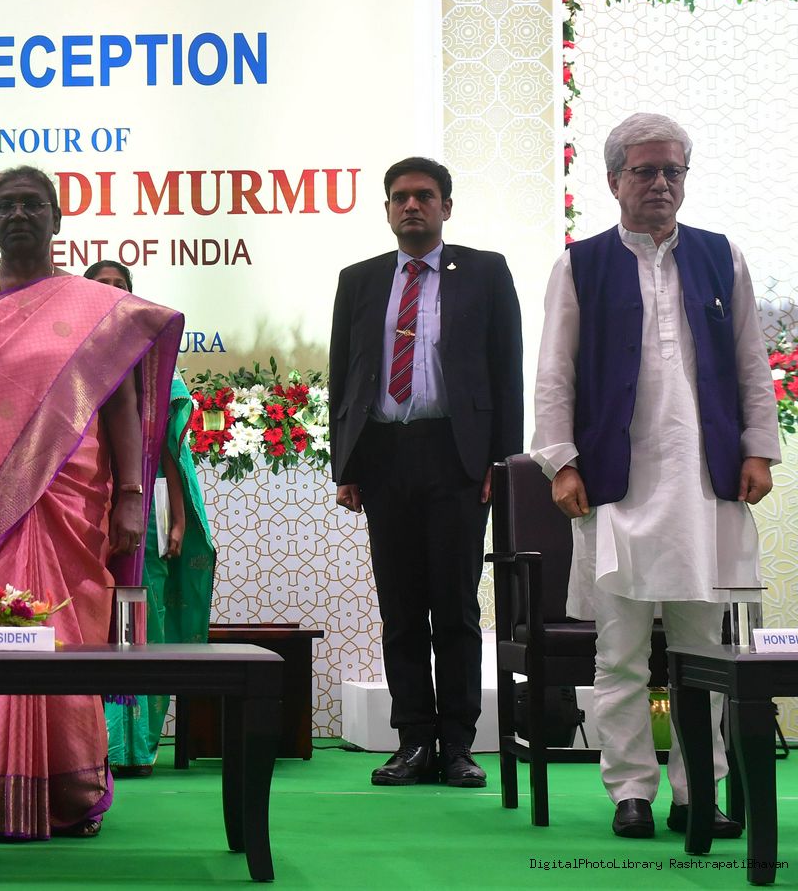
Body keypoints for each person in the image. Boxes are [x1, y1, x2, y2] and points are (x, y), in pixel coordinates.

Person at [0, 169, 182, 839]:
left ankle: (76, 793)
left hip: (70, 499)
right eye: (6, 206)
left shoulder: (90, 305)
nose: (18, 214)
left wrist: (133, 497)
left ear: (57, 218)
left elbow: (121, 403)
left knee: (68, 639)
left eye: (32, 205)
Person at [530, 112, 779, 839]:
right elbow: (554, 373)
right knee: (621, 652)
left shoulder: (721, 257)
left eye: (674, 170)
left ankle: (699, 789)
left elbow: (751, 362)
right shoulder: (580, 264)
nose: (661, 183)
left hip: (706, 490)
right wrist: (560, 461)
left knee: (705, 655)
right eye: (645, 171)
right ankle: (631, 791)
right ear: (614, 181)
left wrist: (758, 449)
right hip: (618, 487)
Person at [329, 156, 523, 789]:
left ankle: (459, 745)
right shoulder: (359, 280)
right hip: (385, 457)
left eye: (424, 195)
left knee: (456, 607)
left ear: (446, 206)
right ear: (387, 209)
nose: (411, 205)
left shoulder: (486, 272)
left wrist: (502, 462)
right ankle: (413, 741)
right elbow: (343, 376)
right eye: (400, 197)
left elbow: (507, 371)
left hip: (458, 457)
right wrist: (345, 464)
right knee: (402, 608)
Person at [83, 260, 215, 777]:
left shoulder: (152, 355)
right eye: (100, 286)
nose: (111, 293)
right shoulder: (71, 352)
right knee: (91, 616)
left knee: (140, 617)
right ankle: (89, 743)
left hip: (146, 504)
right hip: (83, 499)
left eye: (120, 286)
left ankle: (134, 747)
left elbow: (171, 450)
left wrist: (178, 518)